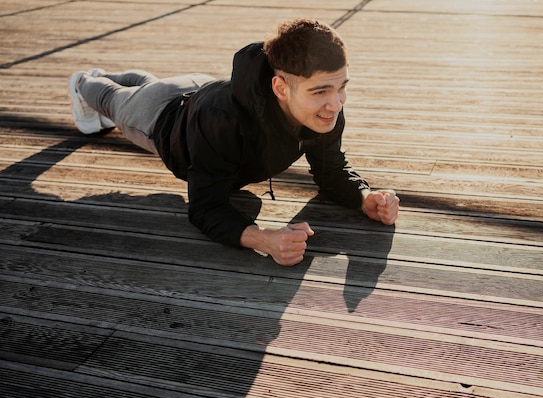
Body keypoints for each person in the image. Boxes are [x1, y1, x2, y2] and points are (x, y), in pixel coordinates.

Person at [68, 18, 400, 266]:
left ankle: (123, 78)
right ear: (281, 89)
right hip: (164, 120)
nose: (336, 103)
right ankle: (84, 81)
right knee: (115, 102)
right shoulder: (223, 122)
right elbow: (205, 207)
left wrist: (364, 197)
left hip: (199, 88)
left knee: (149, 85)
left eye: (341, 86)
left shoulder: (324, 111)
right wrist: (265, 240)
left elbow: (332, 171)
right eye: (321, 91)